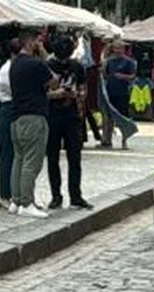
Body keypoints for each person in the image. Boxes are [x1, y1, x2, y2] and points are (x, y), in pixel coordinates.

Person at [10, 29, 56, 219]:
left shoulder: (14, 64)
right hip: (34, 116)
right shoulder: (36, 64)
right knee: (31, 161)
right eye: (37, 41)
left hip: (17, 117)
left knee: (19, 159)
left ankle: (16, 200)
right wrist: (45, 54)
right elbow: (54, 82)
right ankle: (27, 203)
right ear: (30, 43)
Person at [46, 36, 92, 211]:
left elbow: (83, 89)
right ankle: (56, 195)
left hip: (72, 116)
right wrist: (59, 94)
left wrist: (77, 95)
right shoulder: (48, 66)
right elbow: (43, 93)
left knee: (75, 157)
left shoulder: (77, 66)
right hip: (53, 115)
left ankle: (75, 195)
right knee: (53, 157)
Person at [0, 38, 21, 211]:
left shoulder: (12, 68)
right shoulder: (8, 70)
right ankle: (5, 194)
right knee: (8, 154)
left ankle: (16, 192)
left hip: (14, 109)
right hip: (9, 108)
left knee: (17, 154)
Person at [101, 40, 136, 149]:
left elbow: (132, 76)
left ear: (123, 49)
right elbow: (104, 75)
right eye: (115, 48)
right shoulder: (109, 61)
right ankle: (107, 140)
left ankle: (124, 141)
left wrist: (123, 76)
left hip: (123, 93)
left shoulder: (129, 62)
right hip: (110, 92)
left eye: (120, 48)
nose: (117, 51)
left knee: (124, 117)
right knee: (109, 117)